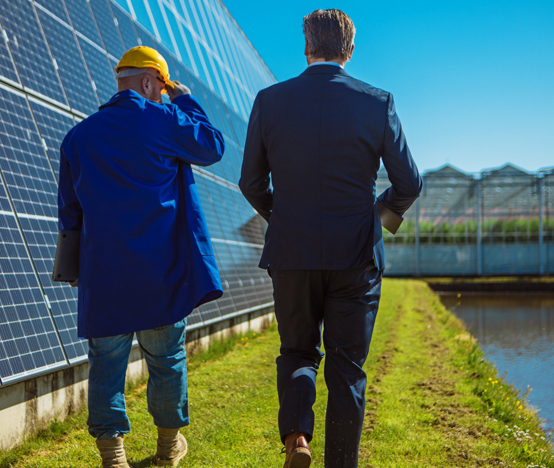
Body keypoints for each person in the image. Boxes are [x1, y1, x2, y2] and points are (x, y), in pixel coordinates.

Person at [239, 9, 422, 468]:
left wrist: (283, 217)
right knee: (347, 369)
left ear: (306, 46)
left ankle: (297, 438)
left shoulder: (269, 101)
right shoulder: (377, 102)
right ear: (350, 50)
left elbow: (250, 183)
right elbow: (409, 184)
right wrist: (376, 219)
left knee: (297, 351)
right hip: (357, 256)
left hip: (291, 252)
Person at [57, 46, 225, 468]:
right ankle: (168, 449)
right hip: (160, 274)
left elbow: (69, 213)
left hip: (103, 277)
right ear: (150, 81)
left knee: (106, 366)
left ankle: (113, 457)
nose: (162, 95)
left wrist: (74, 270)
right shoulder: (163, 119)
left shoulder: (78, 137)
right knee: (167, 362)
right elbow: (212, 146)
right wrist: (184, 99)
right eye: (161, 89)